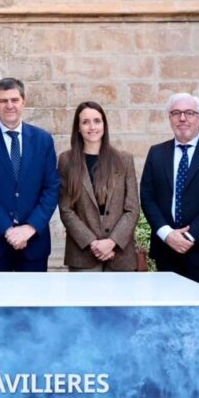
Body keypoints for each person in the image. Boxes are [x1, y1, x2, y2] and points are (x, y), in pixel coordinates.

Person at [139, 93, 199, 291]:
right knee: (169, 316)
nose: (182, 118)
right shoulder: (156, 153)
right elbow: (147, 197)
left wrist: (190, 236)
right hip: (167, 250)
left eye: (189, 113)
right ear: (170, 119)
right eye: (176, 113)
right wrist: (167, 234)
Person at [0, 78, 60, 272]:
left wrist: (30, 228)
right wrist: (7, 230)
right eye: (3, 101)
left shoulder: (43, 140)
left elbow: (51, 188)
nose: (10, 105)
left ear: (23, 102)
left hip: (33, 243)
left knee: (33, 301)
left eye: (14, 100)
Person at [57, 101, 139, 271]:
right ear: (78, 128)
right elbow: (66, 209)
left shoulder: (124, 160)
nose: (92, 127)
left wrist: (112, 242)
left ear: (104, 125)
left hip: (120, 254)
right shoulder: (67, 160)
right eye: (85, 122)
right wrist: (93, 243)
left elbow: (132, 209)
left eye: (97, 121)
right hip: (83, 253)